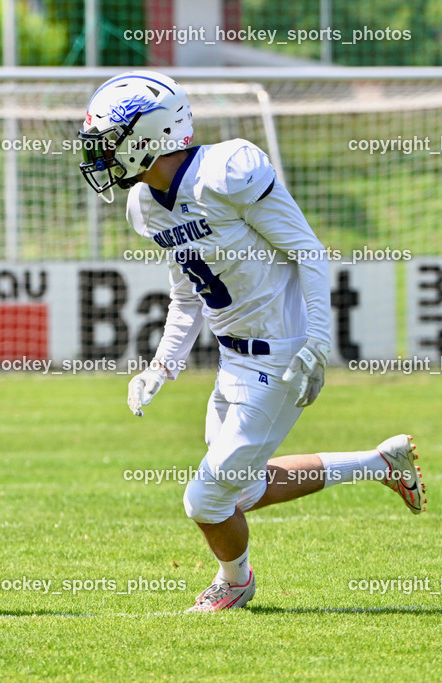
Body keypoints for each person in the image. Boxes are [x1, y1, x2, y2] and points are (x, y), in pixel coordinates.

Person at [76, 70, 425, 612]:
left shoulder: (228, 170)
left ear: (148, 134)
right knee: (244, 490)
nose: (100, 153)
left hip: (281, 356)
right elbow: (187, 293)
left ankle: (235, 582)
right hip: (232, 357)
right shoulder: (144, 204)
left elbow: (308, 251)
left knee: (205, 498)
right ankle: (381, 463)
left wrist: (318, 342)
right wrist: (161, 366)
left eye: (108, 139)